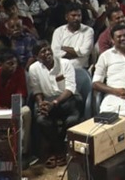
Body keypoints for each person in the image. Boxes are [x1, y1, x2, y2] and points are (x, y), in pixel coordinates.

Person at [27, 40, 81, 169]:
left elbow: (70, 89)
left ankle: (56, 150)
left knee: (72, 120)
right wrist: (41, 104)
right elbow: (37, 91)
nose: (47, 53)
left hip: (67, 99)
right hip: (48, 101)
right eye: (43, 52)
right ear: (36, 57)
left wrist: (55, 103)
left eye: (48, 49)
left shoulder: (65, 63)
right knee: (41, 120)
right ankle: (59, 150)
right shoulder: (33, 69)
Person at [92, 24, 125, 115]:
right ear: (112, 40)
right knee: (106, 120)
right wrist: (116, 91)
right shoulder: (105, 56)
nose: (123, 38)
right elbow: (96, 83)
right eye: (119, 36)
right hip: (112, 97)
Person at [51, 3, 94, 70]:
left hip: (80, 69)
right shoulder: (58, 31)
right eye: (73, 15)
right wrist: (78, 54)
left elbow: (85, 51)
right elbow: (55, 52)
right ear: (66, 17)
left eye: (79, 15)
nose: (76, 18)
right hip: (61, 69)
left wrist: (63, 48)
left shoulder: (88, 31)